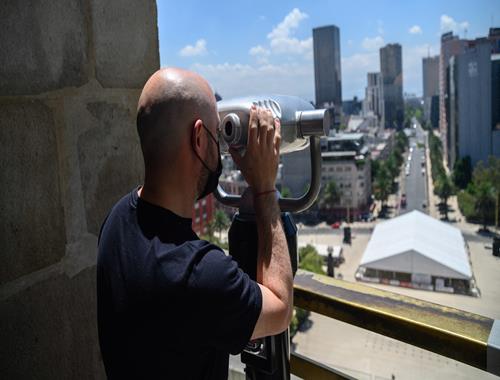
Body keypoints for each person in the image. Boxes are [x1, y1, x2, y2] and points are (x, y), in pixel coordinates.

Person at [97, 67, 293, 379]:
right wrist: (265, 189)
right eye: (218, 135)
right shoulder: (199, 273)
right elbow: (280, 309)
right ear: (199, 138)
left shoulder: (116, 220)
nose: (222, 149)